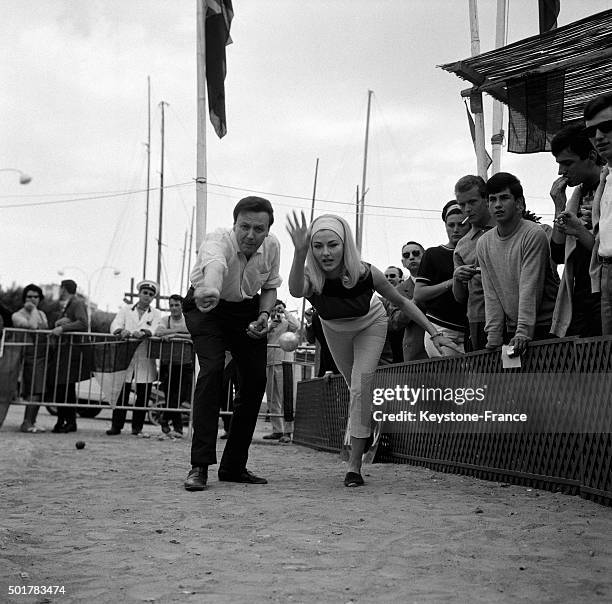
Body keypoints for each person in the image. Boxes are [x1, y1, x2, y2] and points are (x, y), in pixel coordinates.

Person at [286, 212, 460, 488]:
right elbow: (296, 291)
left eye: (333, 244)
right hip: (334, 329)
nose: (326, 252)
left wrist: (434, 332)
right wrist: (298, 252)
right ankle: (362, 429)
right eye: (317, 246)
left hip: (371, 323)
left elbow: (403, 303)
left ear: (345, 245)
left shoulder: (366, 272)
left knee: (361, 385)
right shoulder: (311, 276)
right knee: (355, 389)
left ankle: (354, 467)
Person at [182, 196, 281, 491]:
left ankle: (234, 466)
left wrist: (264, 315)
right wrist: (209, 288)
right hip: (206, 305)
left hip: (245, 311)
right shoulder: (217, 241)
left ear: (267, 230)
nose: (251, 235)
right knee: (211, 372)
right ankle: (199, 466)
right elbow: (215, 268)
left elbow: (270, 286)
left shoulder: (273, 246)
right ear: (234, 223)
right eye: (245, 227)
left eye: (259, 229)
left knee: (254, 380)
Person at [477, 173, 559, 355]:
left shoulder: (533, 233)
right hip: (513, 330)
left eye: (504, 198)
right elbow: (491, 293)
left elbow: (530, 285)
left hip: (546, 325)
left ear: (519, 203)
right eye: (492, 199)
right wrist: (494, 335)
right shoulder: (483, 243)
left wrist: (523, 331)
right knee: (517, 383)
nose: (497, 204)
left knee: (550, 382)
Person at [549, 124, 603, 337]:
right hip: (581, 293)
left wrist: (579, 230)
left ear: (591, 156)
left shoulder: (608, 190)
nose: (562, 171)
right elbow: (558, 254)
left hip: (605, 292)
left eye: (567, 163)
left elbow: (605, 254)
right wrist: (559, 206)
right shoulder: (576, 197)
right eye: (560, 164)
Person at [414, 201, 470, 357]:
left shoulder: (477, 249)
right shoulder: (433, 254)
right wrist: (453, 282)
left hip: (469, 328)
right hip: (440, 326)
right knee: (452, 376)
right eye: (451, 225)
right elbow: (419, 294)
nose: (456, 230)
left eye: (461, 224)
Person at [106, 280, 162, 436]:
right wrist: (120, 330)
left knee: (143, 395)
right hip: (126, 356)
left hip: (145, 357)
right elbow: (115, 324)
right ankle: (116, 426)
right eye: (145, 293)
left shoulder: (156, 313)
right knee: (121, 393)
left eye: (151, 295)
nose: (147, 296)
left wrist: (145, 332)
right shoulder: (125, 310)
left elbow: (156, 327)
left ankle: (137, 427)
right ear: (139, 294)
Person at [452, 175, 496, 351]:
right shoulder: (462, 245)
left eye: (472, 202)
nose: (467, 209)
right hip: (478, 318)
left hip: (510, 315)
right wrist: (457, 277)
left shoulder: (505, 231)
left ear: (486, 200)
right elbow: (460, 297)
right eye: (462, 205)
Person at [584, 92, 612, 335]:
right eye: (591, 132)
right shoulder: (605, 177)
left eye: (606, 127)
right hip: (605, 273)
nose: (599, 137)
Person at [50, 279, 88, 433]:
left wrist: (63, 328)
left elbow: (83, 324)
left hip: (71, 351)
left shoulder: (77, 303)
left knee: (66, 388)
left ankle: (69, 421)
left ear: (63, 289)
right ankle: (63, 420)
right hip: (65, 351)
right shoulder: (71, 303)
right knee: (63, 387)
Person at [12, 284, 49, 433]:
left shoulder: (42, 313)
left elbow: (45, 328)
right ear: (24, 298)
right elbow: (33, 327)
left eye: (36, 297)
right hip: (27, 355)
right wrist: (33, 310)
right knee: (33, 390)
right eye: (29, 296)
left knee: (39, 391)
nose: (33, 299)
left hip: (41, 354)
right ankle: (26, 423)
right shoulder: (18, 315)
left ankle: (32, 421)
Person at [154, 294, 192, 437]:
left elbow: (192, 335)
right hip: (168, 363)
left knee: (181, 396)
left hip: (185, 363)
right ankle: (178, 428)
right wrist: (181, 333)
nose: (174, 308)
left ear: (182, 306)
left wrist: (173, 334)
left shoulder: (187, 320)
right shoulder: (165, 319)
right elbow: (158, 332)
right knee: (170, 395)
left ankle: (164, 418)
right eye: (171, 305)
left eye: (177, 305)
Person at [263, 299, 299, 442]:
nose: (275, 314)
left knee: (286, 398)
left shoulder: (286, 323)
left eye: (277, 310)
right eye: (273, 310)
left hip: (284, 363)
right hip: (269, 363)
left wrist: (284, 311)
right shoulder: (268, 325)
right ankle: (277, 430)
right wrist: (270, 326)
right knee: (272, 398)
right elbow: (260, 338)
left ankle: (288, 431)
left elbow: (296, 325)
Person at [387, 241, 428, 362]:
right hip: (415, 351)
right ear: (403, 263)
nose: (411, 257)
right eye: (406, 255)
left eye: (415, 253)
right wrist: (412, 303)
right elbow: (394, 322)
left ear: (425, 256)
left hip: (444, 345)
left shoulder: (438, 281)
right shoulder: (397, 290)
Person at [380, 266, 405, 363]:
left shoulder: (406, 300)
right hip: (386, 350)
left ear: (401, 280)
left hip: (403, 344)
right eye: (385, 276)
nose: (388, 278)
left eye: (392, 276)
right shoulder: (378, 301)